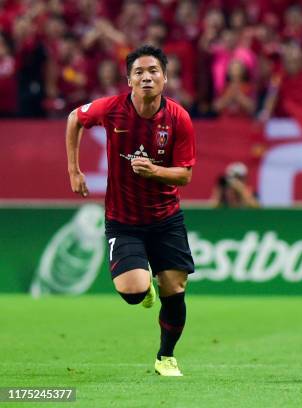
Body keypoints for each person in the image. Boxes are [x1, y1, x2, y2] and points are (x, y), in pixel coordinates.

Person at [65, 45, 196, 377]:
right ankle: (144, 285)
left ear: (165, 78)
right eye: (139, 72)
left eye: (153, 71)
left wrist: (155, 171)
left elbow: (185, 174)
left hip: (166, 218)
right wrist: (74, 170)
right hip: (123, 221)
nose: (146, 77)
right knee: (133, 293)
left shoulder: (179, 118)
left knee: (175, 289)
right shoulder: (112, 109)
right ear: (129, 81)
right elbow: (74, 119)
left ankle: (166, 357)